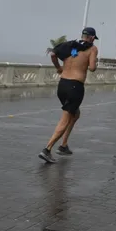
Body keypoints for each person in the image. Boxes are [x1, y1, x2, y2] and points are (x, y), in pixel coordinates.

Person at [39, 27, 99, 163]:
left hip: (62, 85)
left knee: (75, 114)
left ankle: (63, 145)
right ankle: (47, 149)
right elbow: (92, 68)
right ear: (91, 37)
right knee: (65, 118)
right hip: (75, 87)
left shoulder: (70, 45)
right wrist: (94, 61)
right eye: (94, 38)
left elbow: (53, 54)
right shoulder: (92, 49)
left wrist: (59, 68)